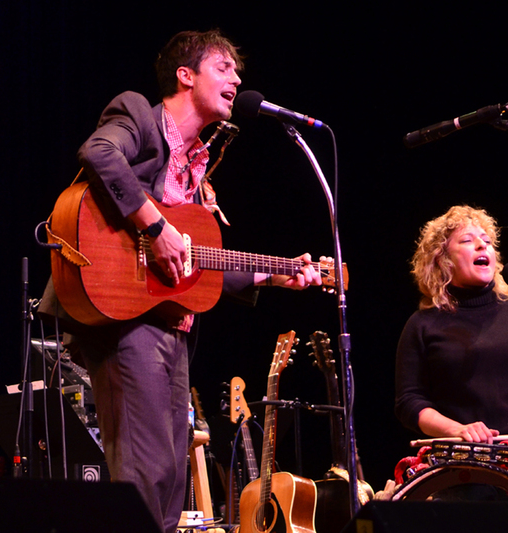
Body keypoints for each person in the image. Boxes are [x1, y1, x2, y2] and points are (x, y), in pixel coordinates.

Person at [39, 30, 323, 533]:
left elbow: (197, 261)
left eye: (238, 71)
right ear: (185, 75)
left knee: (172, 473)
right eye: (223, 67)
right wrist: (155, 225)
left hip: (171, 326)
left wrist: (280, 275)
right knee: (146, 473)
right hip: (121, 314)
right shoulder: (140, 117)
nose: (237, 78)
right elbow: (99, 153)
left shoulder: (200, 165)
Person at [394, 205, 508, 500]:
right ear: (442, 260)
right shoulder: (422, 324)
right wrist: (458, 430)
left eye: (487, 241)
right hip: (461, 454)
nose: (483, 245)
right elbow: (410, 403)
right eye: (468, 240)